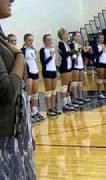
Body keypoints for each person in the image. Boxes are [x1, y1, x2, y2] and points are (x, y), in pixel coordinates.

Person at [0, 0, 36, 178]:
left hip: (16, 133)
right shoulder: (14, 49)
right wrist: (20, 56)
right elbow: (7, 91)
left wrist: (27, 129)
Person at [21, 33, 45, 122]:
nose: (31, 42)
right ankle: (27, 114)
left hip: (35, 73)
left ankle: (35, 112)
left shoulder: (33, 49)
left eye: (32, 40)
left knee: (35, 94)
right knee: (28, 95)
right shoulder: (22, 50)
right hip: (29, 74)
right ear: (25, 40)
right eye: (29, 40)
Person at [39, 34, 62, 116]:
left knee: (53, 91)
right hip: (47, 71)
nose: (50, 41)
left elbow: (54, 62)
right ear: (44, 41)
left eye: (51, 39)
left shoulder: (53, 49)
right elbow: (43, 63)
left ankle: (53, 108)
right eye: (48, 40)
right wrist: (51, 56)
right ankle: (48, 109)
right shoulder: (43, 50)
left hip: (53, 71)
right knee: (48, 91)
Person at [57, 27, 77, 111]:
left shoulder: (66, 44)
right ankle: (64, 103)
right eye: (65, 33)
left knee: (69, 86)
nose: (67, 35)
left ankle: (69, 101)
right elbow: (65, 54)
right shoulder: (61, 44)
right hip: (64, 67)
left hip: (69, 66)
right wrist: (72, 52)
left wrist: (73, 52)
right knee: (64, 86)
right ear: (62, 35)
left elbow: (74, 51)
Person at [70, 32, 91, 104]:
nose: (78, 37)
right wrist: (80, 48)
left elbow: (82, 54)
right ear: (73, 37)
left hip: (80, 64)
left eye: (79, 36)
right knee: (74, 82)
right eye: (77, 36)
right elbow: (73, 54)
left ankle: (80, 97)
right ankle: (75, 98)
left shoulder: (79, 45)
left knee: (80, 82)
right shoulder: (71, 44)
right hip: (75, 65)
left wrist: (87, 50)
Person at [93, 33, 106, 99]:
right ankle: (99, 93)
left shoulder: (104, 44)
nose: (102, 39)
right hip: (99, 63)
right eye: (100, 38)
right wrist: (102, 50)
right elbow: (96, 55)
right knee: (100, 78)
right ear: (97, 39)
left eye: (103, 38)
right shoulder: (95, 45)